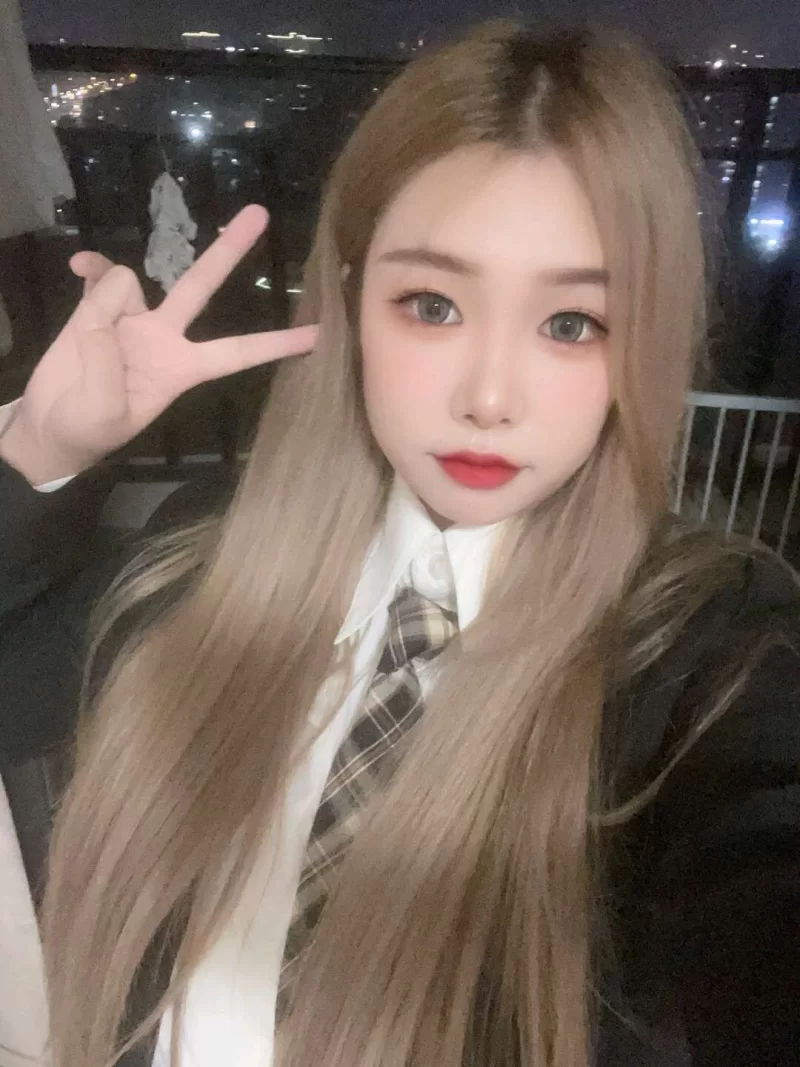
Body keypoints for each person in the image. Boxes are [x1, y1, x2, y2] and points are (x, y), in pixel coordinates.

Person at [0, 20, 798, 1067]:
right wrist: (40, 452)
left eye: (572, 324)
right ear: (351, 301)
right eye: (432, 305)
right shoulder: (201, 557)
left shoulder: (713, 646)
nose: (489, 398)